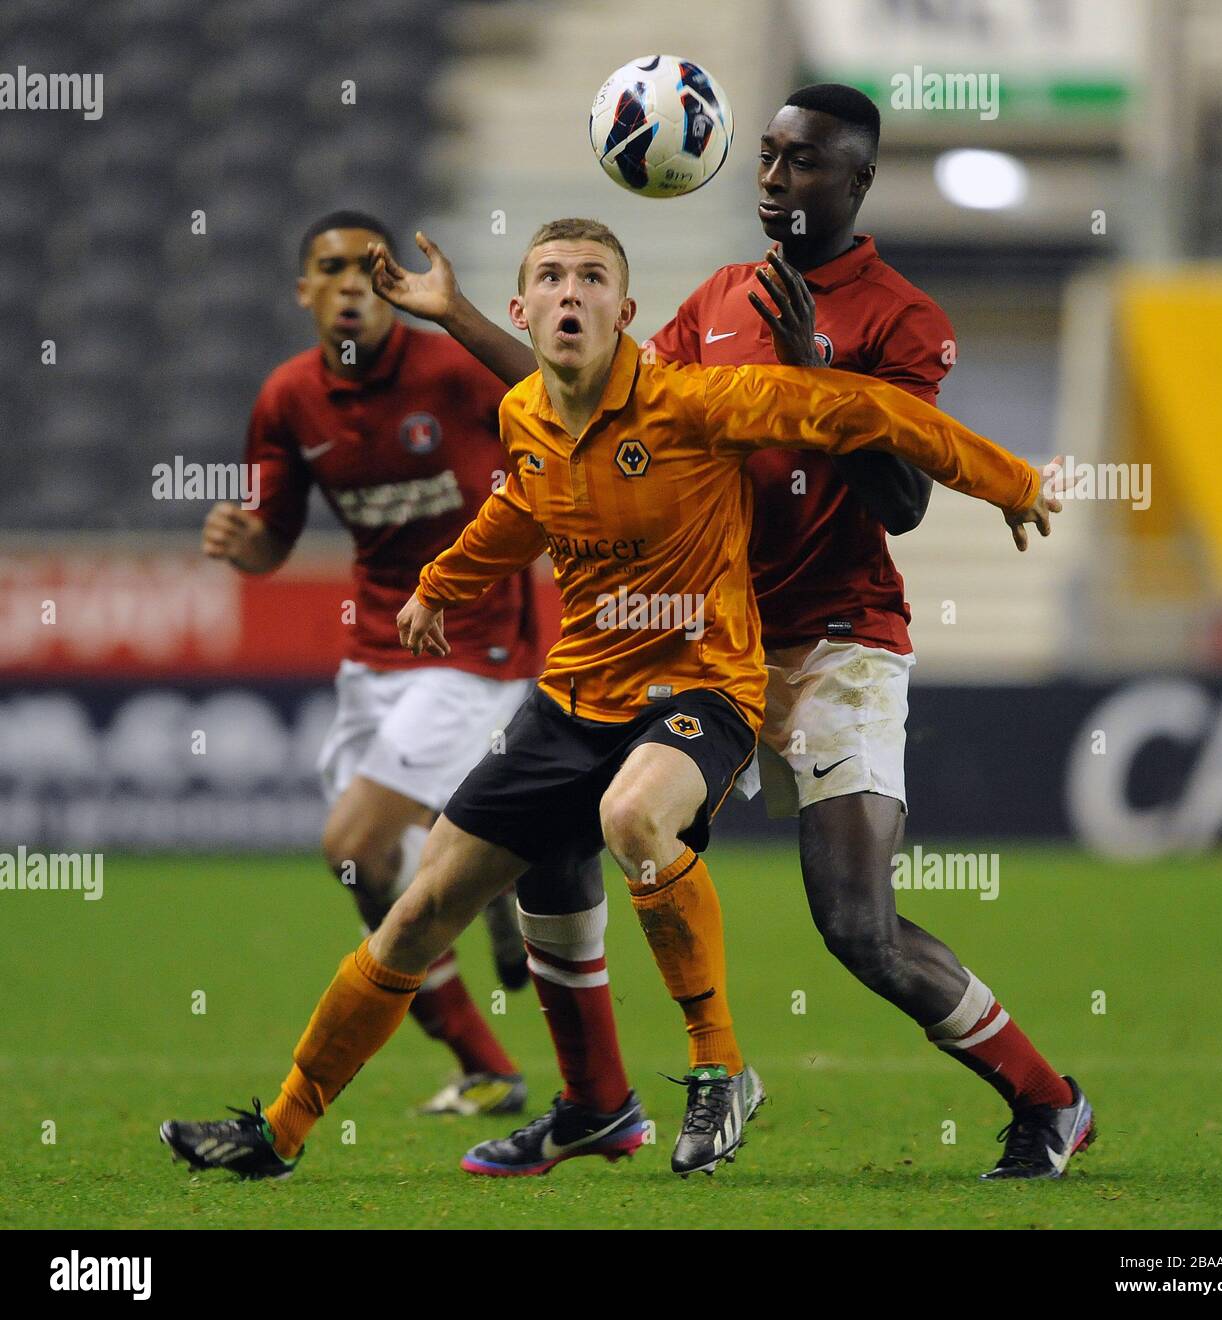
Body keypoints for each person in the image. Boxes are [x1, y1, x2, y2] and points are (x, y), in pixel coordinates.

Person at [161, 216, 1063, 1183]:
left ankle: (720, 1070)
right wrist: (438, 587)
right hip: (574, 695)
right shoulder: (523, 417)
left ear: (625, 312)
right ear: (524, 309)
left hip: (703, 687)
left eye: (592, 277)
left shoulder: (697, 403)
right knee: (421, 904)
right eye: (549, 276)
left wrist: (1010, 481)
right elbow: (519, 508)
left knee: (633, 816)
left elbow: (871, 414)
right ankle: (282, 1129)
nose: (569, 292)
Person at [363, 85, 1097, 1182]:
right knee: (563, 837)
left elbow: (899, 506)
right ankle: (593, 1104)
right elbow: (592, 405)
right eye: (764, 156)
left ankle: (1047, 1099)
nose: (771, 177)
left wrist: (818, 373)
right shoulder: (713, 300)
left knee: (855, 927)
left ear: (855, 182)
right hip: (708, 649)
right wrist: (463, 316)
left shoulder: (903, 319)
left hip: (836, 640)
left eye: (802, 162)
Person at [201, 209, 553, 1119]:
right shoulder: (287, 399)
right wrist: (242, 544)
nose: (352, 282)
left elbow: (561, 396)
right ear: (305, 291)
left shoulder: (451, 368)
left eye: (370, 266)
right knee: (369, 872)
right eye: (332, 268)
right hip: (373, 653)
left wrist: (463, 315)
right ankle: (484, 1053)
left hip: (480, 645)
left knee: (353, 843)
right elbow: (271, 542)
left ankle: (493, 892)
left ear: (392, 282)